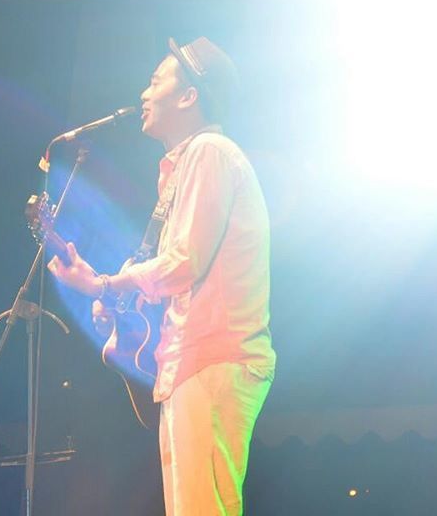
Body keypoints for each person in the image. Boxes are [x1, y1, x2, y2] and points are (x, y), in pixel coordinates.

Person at [48, 36, 276, 515]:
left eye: (156, 82)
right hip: (193, 362)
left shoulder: (210, 151)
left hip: (215, 356)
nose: (144, 94)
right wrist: (118, 301)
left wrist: (107, 284)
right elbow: (185, 273)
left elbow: (182, 262)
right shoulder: (188, 166)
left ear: (189, 96)